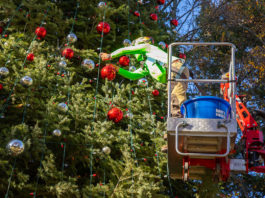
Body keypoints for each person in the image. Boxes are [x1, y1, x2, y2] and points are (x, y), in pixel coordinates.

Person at [100, 37, 190, 152]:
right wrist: (117, 69)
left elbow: (126, 50)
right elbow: (133, 75)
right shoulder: (148, 64)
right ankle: (175, 137)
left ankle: (178, 133)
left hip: (175, 69)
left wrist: (110, 56)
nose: (135, 54)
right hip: (174, 72)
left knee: (175, 101)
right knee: (173, 102)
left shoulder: (149, 48)